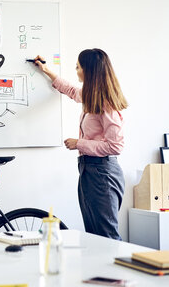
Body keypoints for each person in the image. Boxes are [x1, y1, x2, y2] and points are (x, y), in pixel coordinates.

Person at [34, 49, 128, 240]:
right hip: (89, 170)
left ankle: (113, 270)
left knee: (106, 236)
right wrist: (46, 70)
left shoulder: (107, 103)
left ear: (89, 70)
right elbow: (70, 90)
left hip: (102, 173)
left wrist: (80, 144)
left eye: (78, 67)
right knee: (95, 235)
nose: (76, 71)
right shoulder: (92, 96)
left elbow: (115, 146)